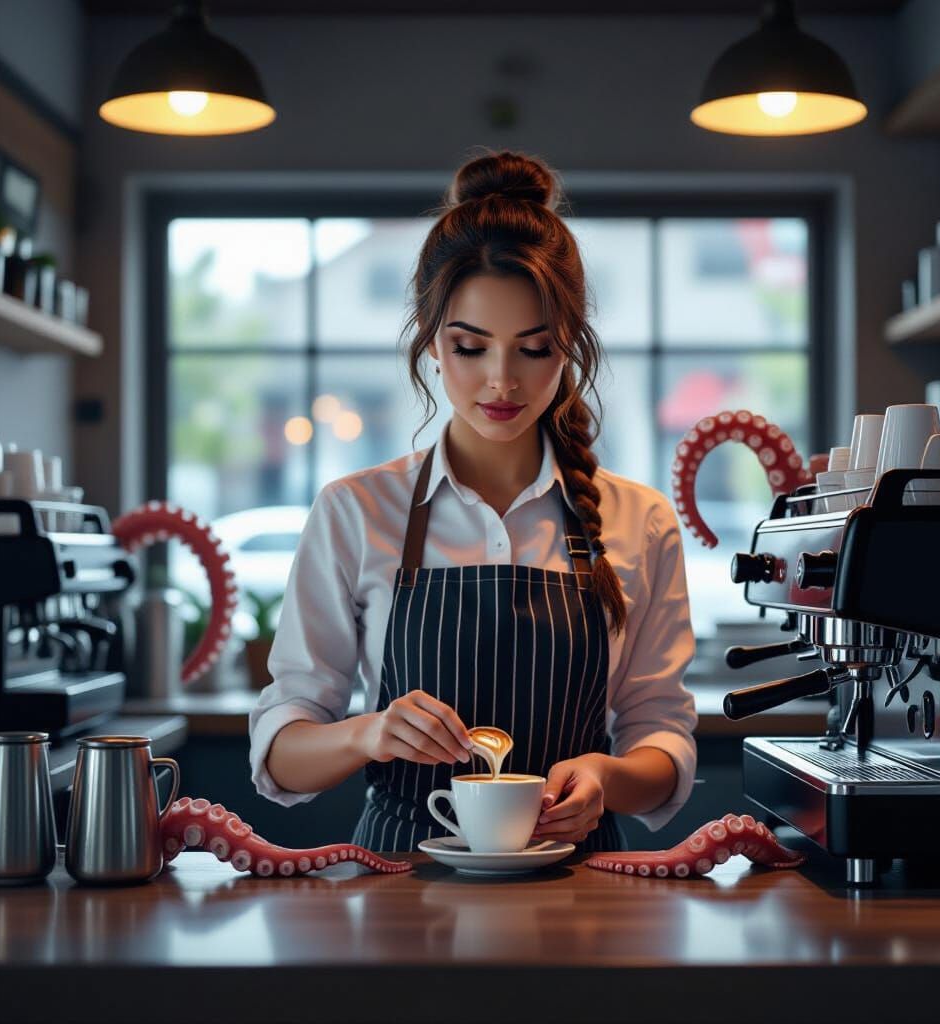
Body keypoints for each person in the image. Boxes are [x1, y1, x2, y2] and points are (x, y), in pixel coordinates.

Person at [249, 149, 697, 854]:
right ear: (431, 343)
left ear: (570, 350)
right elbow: (281, 755)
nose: (501, 382)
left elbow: (662, 739)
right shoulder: (354, 511)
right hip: (399, 889)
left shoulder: (639, 520)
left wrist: (607, 776)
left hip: (583, 896)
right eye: (469, 347)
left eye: (534, 348)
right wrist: (368, 733)